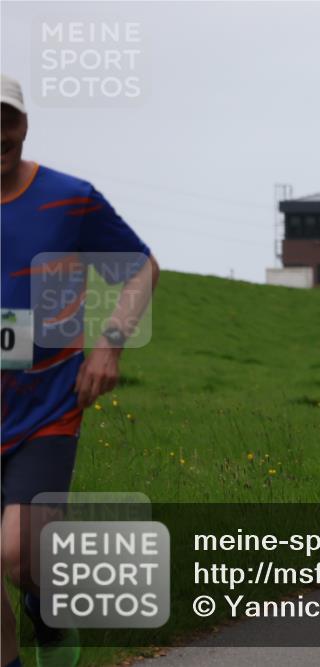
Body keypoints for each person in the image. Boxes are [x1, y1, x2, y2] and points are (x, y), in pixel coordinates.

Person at [1, 74, 159, 667]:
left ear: (24, 124)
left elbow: (140, 268)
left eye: (7, 119)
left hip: (45, 408)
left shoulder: (69, 198)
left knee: (20, 554)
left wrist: (108, 346)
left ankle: (49, 611)